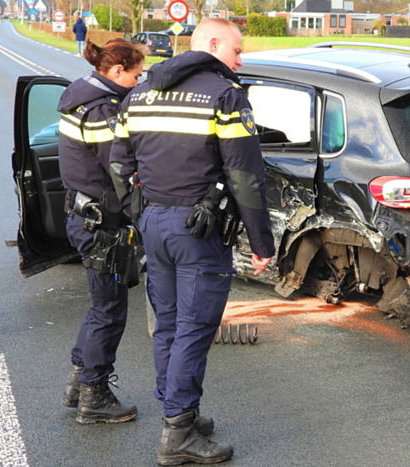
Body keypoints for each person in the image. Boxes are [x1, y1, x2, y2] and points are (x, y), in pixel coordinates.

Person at [109, 18, 275, 465]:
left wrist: (139, 212)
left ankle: (177, 410)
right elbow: (245, 177)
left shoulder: (138, 93)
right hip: (198, 233)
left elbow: (118, 163)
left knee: (167, 324)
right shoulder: (225, 96)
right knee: (193, 330)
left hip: (156, 224)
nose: (241, 60)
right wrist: (263, 244)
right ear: (213, 44)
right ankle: (178, 433)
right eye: (237, 51)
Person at [58, 38, 145, 425]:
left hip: (83, 216)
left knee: (100, 306)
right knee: (110, 310)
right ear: (116, 71)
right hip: (102, 225)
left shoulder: (78, 96)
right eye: (136, 75)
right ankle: (95, 396)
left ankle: (80, 380)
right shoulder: (102, 111)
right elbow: (120, 171)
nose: (139, 82)